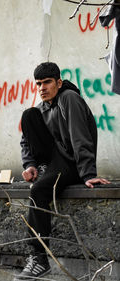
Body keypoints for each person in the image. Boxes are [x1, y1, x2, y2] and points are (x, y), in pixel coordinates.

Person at [16, 62, 110, 280]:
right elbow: (25, 142)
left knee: (38, 191)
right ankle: (41, 169)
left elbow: (80, 137)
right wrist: (29, 165)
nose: (42, 88)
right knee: (28, 115)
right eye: (38, 83)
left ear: (58, 82)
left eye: (47, 82)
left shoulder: (69, 99)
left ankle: (39, 258)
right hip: (54, 165)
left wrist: (88, 174)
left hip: (73, 165)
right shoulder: (41, 108)